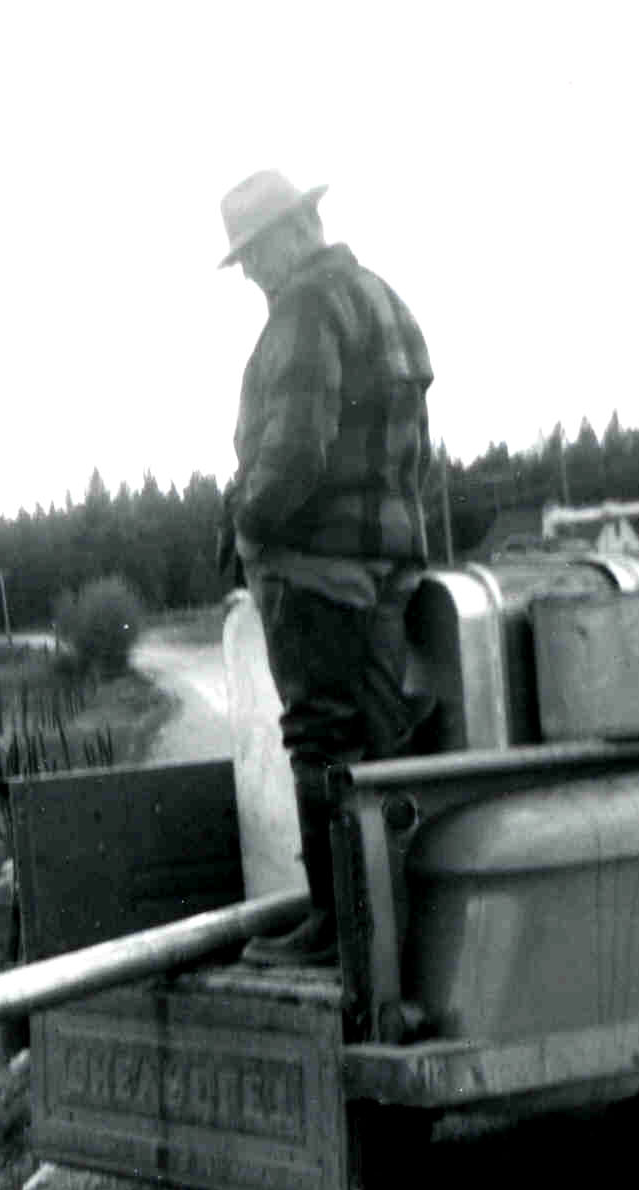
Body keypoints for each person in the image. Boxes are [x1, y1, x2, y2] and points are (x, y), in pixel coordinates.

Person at [215, 170, 436, 967]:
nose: (249, 272)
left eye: (251, 252)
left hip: (314, 571)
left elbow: (297, 447)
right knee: (375, 747)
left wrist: (247, 520)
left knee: (319, 741)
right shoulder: (383, 298)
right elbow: (415, 454)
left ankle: (334, 929)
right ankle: (389, 928)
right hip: (386, 562)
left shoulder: (305, 309)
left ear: (295, 229)